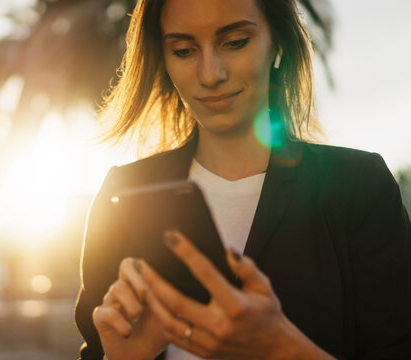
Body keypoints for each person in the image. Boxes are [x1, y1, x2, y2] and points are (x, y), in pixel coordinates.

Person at [74, 0, 411, 359]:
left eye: (235, 42)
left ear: (278, 43)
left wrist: (281, 348)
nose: (210, 74)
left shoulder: (359, 187)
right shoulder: (123, 194)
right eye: (184, 50)